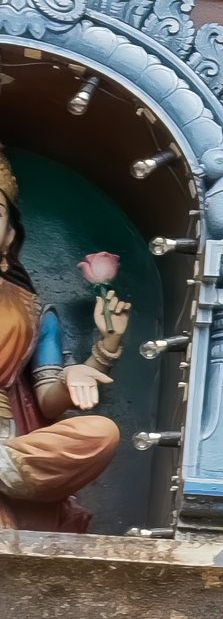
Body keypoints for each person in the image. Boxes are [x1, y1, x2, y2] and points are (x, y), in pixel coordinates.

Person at [0, 149, 126, 531]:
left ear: (8, 236)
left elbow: (47, 401)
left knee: (101, 434)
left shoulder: (31, 309)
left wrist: (96, 359)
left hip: (6, 444)